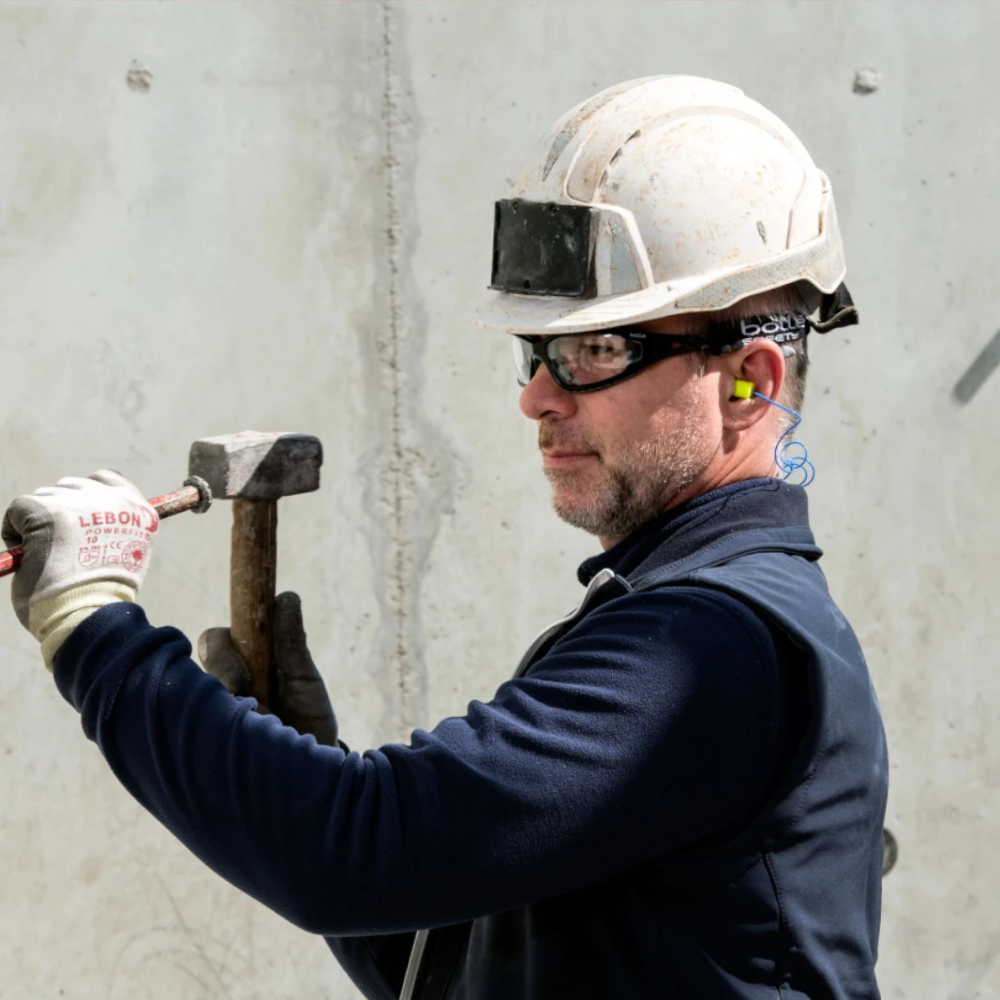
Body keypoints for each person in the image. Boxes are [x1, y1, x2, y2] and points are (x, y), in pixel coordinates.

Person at [3, 77, 888, 999]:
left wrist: (92, 627)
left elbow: (352, 856)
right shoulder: (676, 619)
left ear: (748, 380)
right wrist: (299, 752)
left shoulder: (712, 648)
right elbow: (449, 968)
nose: (537, 396)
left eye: (597, 351)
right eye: (537, 353)